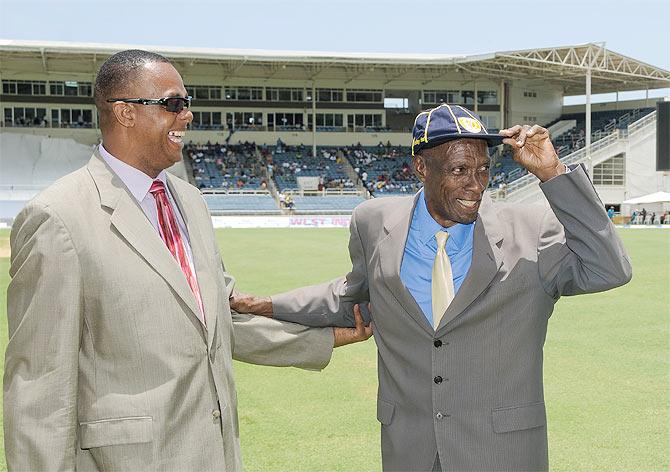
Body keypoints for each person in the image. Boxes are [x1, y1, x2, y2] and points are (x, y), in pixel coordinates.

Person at [4, 49, 371, 472]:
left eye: (187, 103)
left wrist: (329, 337)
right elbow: (38, 389)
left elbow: (220, 323)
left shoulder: (191, 203)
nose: (188, 115)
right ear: (124, 112)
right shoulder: (58, 218)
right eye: (173, 104)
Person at [232, 104, 632, 471]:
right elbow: (350, 297)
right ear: (421, 168)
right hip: (411, 450)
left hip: (503, 454)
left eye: (483, 170)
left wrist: (552, 172)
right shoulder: (373, 223)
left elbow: (609, 269)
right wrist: (267, 305)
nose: (475, 185)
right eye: (459, 170)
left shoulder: (531, 230)